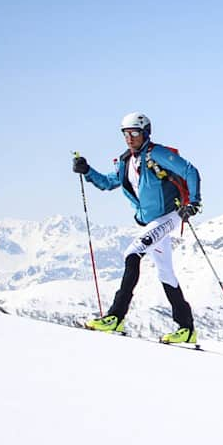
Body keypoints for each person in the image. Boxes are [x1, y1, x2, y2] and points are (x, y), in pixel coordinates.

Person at [72, 112, 202, 342]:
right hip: (150, 222)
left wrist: (193, 203)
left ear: (145, 133)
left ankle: (116, 315)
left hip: (170, 215)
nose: (130, 138)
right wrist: (87, 170)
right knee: (166, 272)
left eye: (134, 133)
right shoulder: (125, 161)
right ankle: (187, 329)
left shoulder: (157, 153)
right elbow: (108, 183)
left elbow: (190, 170)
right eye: (125, 134)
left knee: (132, 253)